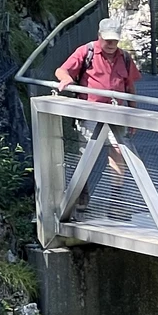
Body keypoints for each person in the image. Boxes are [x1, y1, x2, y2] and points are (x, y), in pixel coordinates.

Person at [55, 18, 143, 221]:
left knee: (118, 151)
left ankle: (115, 200)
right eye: (108, 40)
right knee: (86, 153)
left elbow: (130, 87)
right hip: (90, 113)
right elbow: (61, 70)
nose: (111, 45)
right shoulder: (86, 52)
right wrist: (66, 79)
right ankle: (80, 196)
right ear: (99, 35)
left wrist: (133, 114)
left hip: (116, 112)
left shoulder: (125, 58)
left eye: (115, 41)